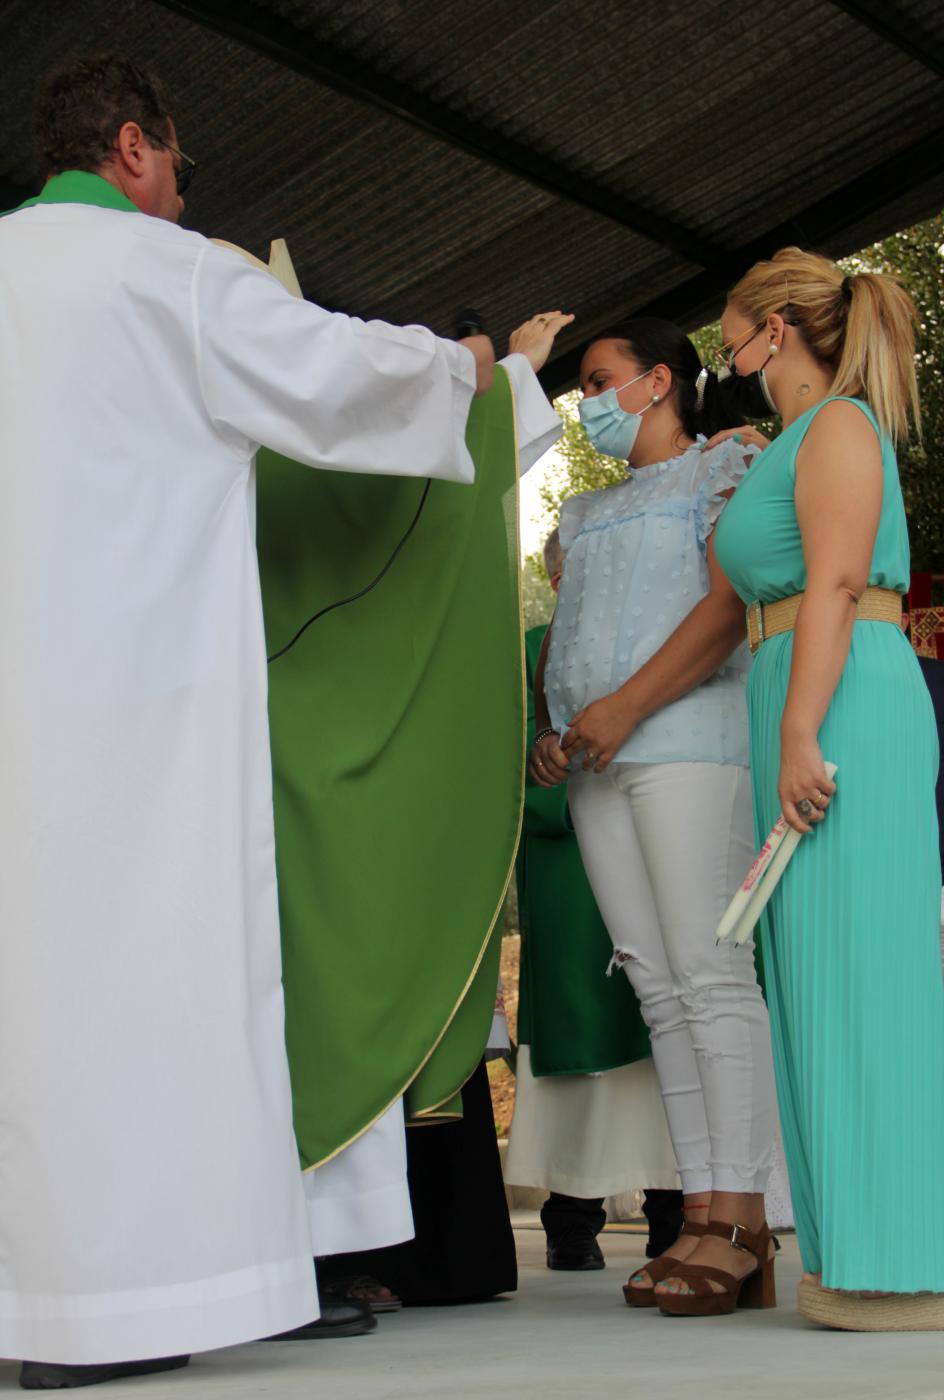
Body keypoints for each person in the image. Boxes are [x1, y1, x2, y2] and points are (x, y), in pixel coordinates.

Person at [0, 52, 495, 1389]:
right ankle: (133, 1304)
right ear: (133, 148)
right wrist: (460, 367)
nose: (175, 195)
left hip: (16, 714)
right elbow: (334, 375)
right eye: (174, 166)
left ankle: (32, 1302)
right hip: (146, 708)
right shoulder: (172, 276)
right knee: (153, 993)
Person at [529, 317, 781, 1318]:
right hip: (593, 762)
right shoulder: (582, 514)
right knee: (655, 983)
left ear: (659, 380)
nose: (586, 401)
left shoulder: (726, 465)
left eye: (599, 379)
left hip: (685, 739)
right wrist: (554, 729)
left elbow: (724, 608)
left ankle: (743, 1215)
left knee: (708, 972)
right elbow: (570, 632)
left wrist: (622, 707)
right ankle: (697, 1211)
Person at [712, 246, 944, 1330]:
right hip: (795, 691)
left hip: (837, 698)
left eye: (732, 346)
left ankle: (905, 1263)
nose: (731, 366)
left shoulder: (840, 425)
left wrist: (800, 725)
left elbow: (838, 579)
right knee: (811, 975)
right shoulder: (801, 440)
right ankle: (852, 1251)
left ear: (777, 332)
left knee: (864, 972)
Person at [505, 526, 682, 1271]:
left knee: (665, 1035)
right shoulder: (529, 648)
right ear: (554, 579)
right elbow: (511, 755)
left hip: (653, 850)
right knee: (581, 1059)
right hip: (567, 872)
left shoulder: (656, 642)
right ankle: (570, 1220)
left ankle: (675, 1212)